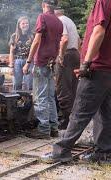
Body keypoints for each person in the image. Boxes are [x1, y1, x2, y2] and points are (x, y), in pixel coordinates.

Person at [42, 0, 111, 163]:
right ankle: (104, 152)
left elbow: (99, 31)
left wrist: (87, 63)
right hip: (108, 68)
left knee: (80, 110)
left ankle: (62, 150)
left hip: (98, 66)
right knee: (106, 113)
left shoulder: (103, 1)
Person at [22, 0, 63, 139]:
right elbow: (58, 44)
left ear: (43, 4)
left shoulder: (42, 17)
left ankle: (43, 130)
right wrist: (55, 58)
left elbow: (37, 40)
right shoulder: (59, 22)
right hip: (51, 63)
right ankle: (54, 128)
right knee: (50, 97)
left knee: (40, 97)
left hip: (40, 62)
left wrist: (28, 62)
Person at [54, 8, 81, 130]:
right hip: (75, 53)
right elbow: (79, 40)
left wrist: (60, 55)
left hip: (66, 54)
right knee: (73, 88)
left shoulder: (60, 21)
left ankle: (66, 121)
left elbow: (64, 39)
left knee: (62, 87)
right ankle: (75, 119)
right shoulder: (70, 21)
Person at [8, 16, 34, 90]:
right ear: (19, 25)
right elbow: (11, 52)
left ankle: (28, 101)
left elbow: (36, 51)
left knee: (29, 84)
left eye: (27, 23)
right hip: (17, 62)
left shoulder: (33, 35)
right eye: (23, 23)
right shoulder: (14, 36)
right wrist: (11, 66)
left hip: (29, 61)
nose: (25, 25)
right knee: (16, 83)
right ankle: (16, 100)